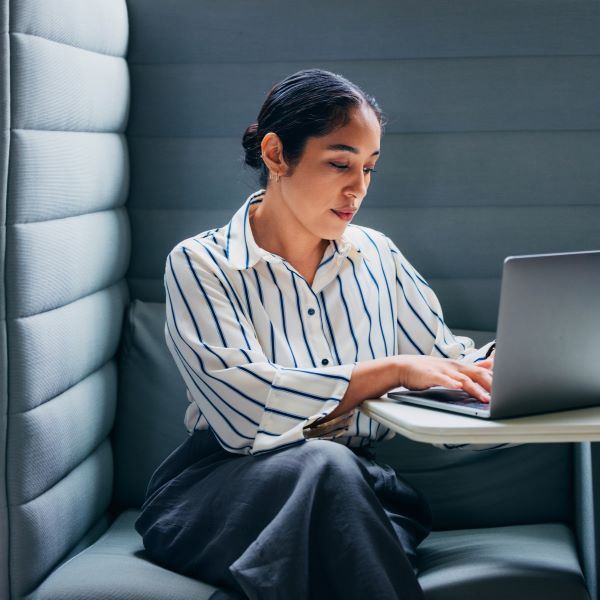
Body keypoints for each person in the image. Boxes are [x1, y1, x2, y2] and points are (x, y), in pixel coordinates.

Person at [134, 68, 502, 600]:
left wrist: (517, 365)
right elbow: (245, 418)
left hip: (361, 491)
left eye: (370, 169)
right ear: (276, 154)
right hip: (222, 492)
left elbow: (446, 370)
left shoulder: (379, 256)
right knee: (326, 476)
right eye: (339, 164)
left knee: (334, 492)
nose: (358, 188)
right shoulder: (201, 264)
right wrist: (392, 371)